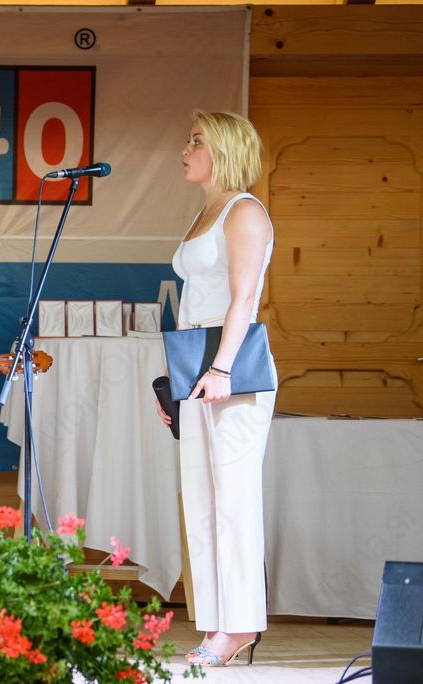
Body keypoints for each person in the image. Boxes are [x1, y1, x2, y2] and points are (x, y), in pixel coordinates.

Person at [155, 111, 276, 667]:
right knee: (201, 499)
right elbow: (194, 305)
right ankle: (215, 622)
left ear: (224, 149)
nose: (186, 148)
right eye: (188, 139)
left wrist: (222, 368)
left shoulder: (244, 210)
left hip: (233, 368)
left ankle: (241, 622)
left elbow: (243, 297)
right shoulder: (204, 211)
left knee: (232, 498)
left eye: (197, 141)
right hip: (197, 364)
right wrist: (176, 384)